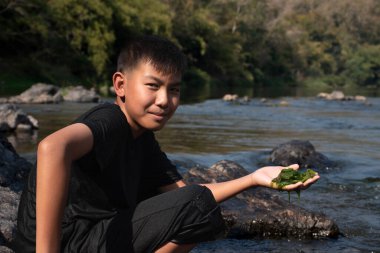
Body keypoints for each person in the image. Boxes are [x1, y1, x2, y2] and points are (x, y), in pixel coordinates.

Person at [14, 35, 319, 253]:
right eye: (153, 86)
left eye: (173, 89)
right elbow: (52, 148)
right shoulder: (110, 120)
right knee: (200, 206)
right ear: (120, 85)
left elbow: (187, 197)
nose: (164, 100)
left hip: (97, 236)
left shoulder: (143, 140)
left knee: (206, 213)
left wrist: (254, 178)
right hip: (65, 241)